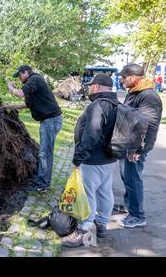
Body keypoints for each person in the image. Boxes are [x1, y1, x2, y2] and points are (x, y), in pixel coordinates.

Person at [61, 74, 119, 247]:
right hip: (110, 158)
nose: (89, 88)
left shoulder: (98, 105)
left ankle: (84, 231)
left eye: (91, 85)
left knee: (87, 194)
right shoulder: (117, 105)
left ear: (97, 87)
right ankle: (101, 225)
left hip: (93, 159)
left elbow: (91, 134)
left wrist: (78, 158)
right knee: (105, 191)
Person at [113, 64, 163, 228]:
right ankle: (129, 206)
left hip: (135, 148)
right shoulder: (135, 92)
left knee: (133, 180)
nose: (121, 80)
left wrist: (138, 150)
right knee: (127, 177)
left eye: (124, 77)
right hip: (128, 145)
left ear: (133, 77)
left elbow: (148, 126)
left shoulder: (148, 96)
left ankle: (137, 216)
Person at [0, 65, 63, 193]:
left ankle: (43, 185)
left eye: (19, 75)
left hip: (50, 121)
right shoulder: (33, 86)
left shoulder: (34, 79)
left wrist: (11, 87)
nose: (19, 78)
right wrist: (8, 106)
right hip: (48, 121)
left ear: (26, 72)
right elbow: (25, 105)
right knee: (44, 152)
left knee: (45, 153)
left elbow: (20, 93)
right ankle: (42, 180)